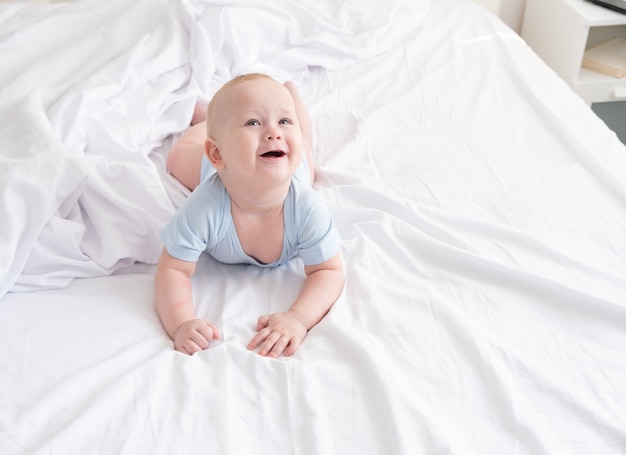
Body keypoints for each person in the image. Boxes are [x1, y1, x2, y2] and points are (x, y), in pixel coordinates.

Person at [155, 73, 345, 358]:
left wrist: (298, 318)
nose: (274, 132)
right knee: (176, 158)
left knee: (304, 154)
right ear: (217, 153)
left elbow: (329, 271)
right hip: (214, 170)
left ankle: (291, 108)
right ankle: (210, 122)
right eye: (253, 122)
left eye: (284, 121)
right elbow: (173, 269)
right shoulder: (204, 206)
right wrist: (181, 322)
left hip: (293, 166)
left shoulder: (306, 208)